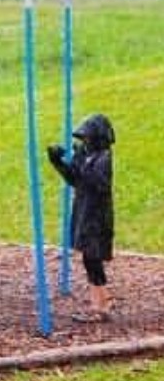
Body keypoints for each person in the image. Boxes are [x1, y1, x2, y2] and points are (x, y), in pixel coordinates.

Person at [48, 113, 115, 323]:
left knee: (92, 258)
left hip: (97, 213)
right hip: (84, 209)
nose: (84, 142)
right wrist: (57, 161)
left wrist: (82, 165)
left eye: (87, 138)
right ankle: (100, 302)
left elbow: (99, 184)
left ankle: (101, 305)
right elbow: (74, 179)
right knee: (88, 258)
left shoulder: (104, 157)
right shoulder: (88, 156)